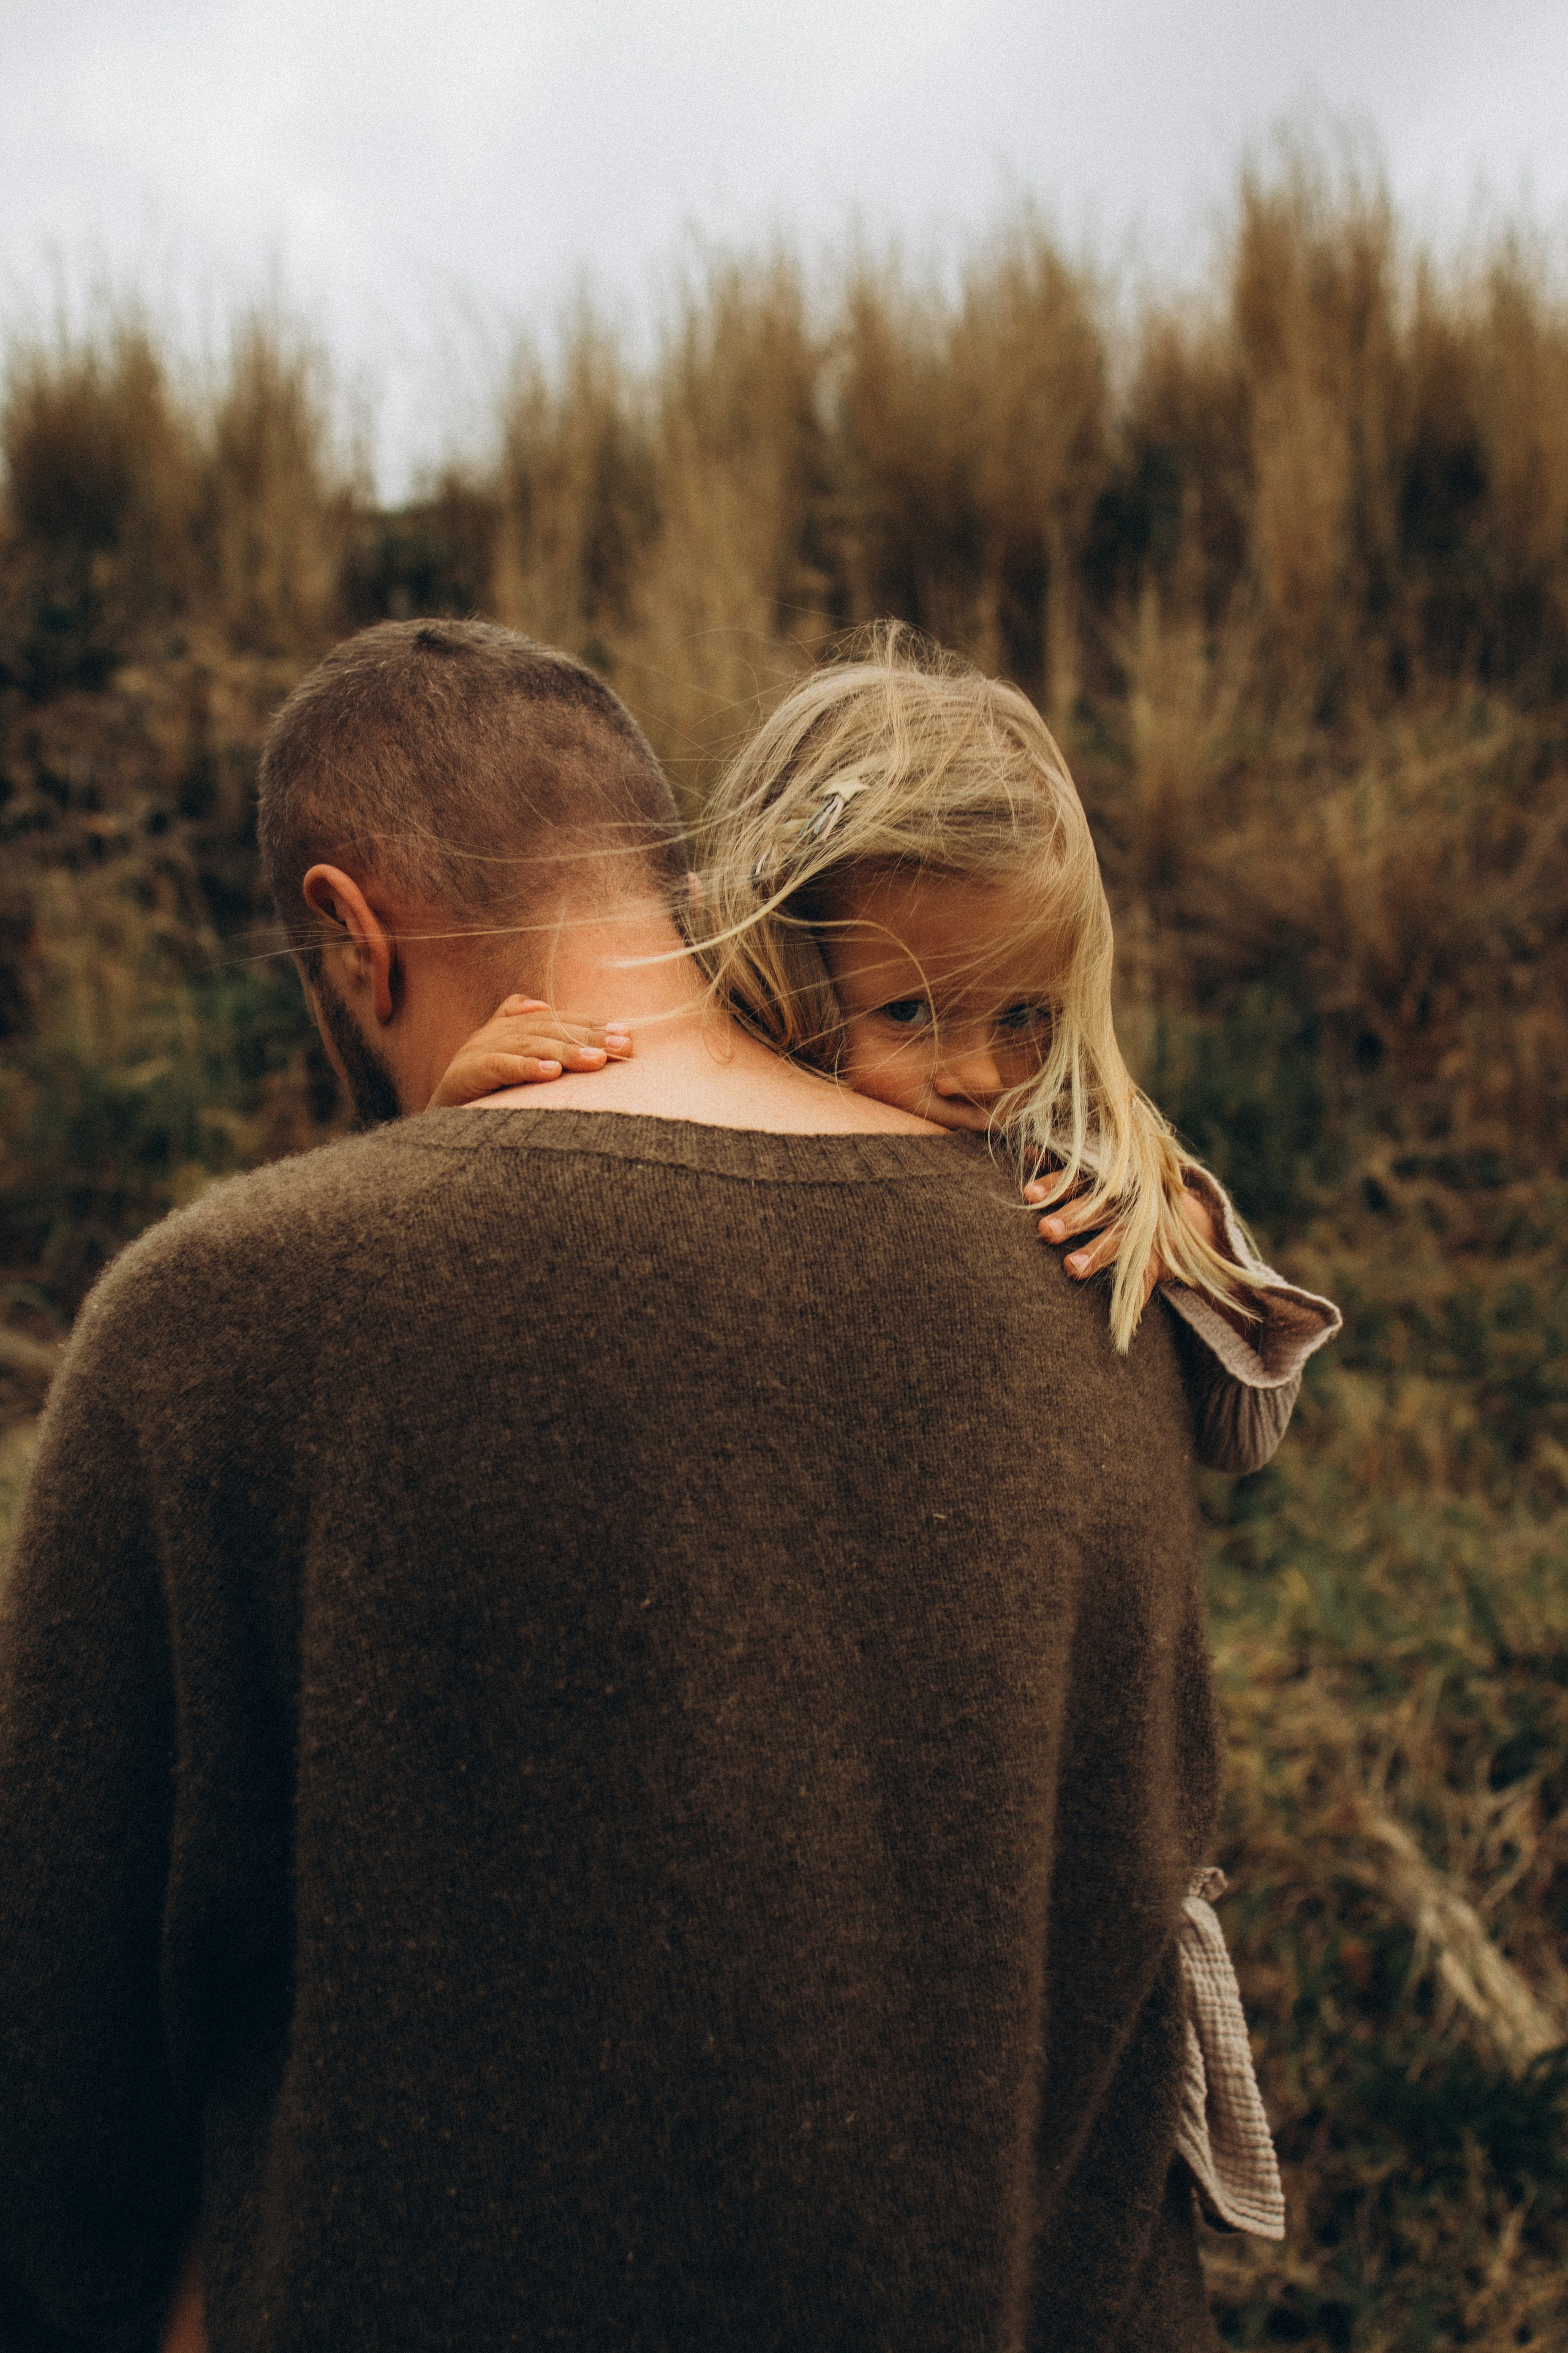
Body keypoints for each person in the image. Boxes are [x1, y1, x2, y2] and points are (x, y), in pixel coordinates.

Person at [1, 619, 1263, 2353]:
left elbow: (59, 2092)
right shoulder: (1099, 1281)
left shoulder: (219, 1321)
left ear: (348, 933)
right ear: (670, 880)